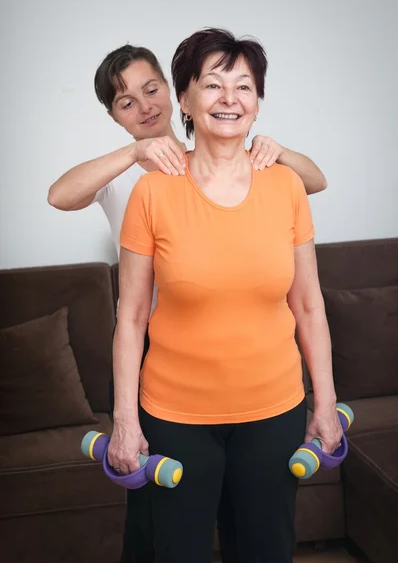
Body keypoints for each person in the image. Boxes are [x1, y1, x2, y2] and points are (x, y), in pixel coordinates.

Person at [48, 43, 327, 562]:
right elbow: (60, 196)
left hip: (249, 370)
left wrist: (276, 150)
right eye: (125, 102)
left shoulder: (255, 166)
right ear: (113, 116)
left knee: (254, 528)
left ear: (173, 94)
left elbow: (313, 184)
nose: (144, 106)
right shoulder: (136, 183)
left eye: (150, 89)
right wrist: (135, 152)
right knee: (160, 533)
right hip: (157, 354)